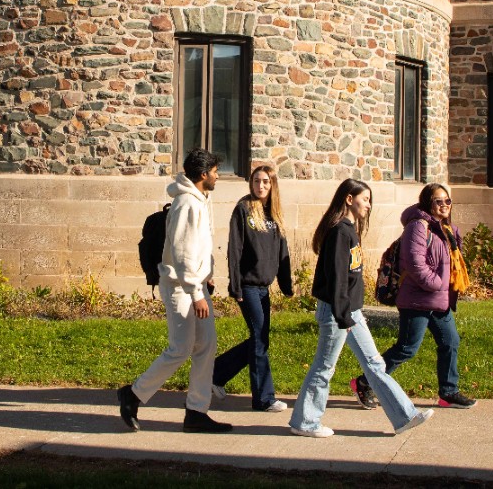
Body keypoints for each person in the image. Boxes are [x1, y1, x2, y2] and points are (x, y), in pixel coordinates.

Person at [289, 179, 433, 438]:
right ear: (348, 199)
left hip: (350, 311)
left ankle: (405, 416)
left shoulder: (348, 230)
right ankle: (305, 422)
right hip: (338, 311)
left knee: (375, 364)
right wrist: (343, 315)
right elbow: (337, 278)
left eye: (369, 200)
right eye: (364, 199)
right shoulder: (339, 232)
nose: (368, 204)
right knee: (324, 367)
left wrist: (350, 312)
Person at [117, 148, 232, 433]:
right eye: (215, 171)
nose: (218, 176)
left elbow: (202, 244)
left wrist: (209, 276)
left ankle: (196, 412)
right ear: (203, 174)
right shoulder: (185, 204)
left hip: (196, 284)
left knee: (206, 346)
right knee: (180, 348)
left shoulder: (203, 199)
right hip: (181, 288)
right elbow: (181, 253)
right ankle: (133, 394)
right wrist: (195, 293)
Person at [352, 182, 477, 410]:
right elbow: (414, 262)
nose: (444, 205)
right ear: (428, 203)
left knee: (450, 342)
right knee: (407, 348)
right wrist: (437, 283)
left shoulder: (446, 230)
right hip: (416, 300)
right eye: (438, 201)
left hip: (439, 301)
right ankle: (364, 382)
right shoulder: (418, 227)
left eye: (447, 201)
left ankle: (449, 392)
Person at [209, 164, 293, 412]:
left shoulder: (275, 214)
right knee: (259, 340)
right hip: (247, 286)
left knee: (260, 339)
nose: (261, 185)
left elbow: (282, 252)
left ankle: (216, 372)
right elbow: (234, 250)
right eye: (257, 181)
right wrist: (235, 286)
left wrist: (286, 285)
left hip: (264, 288)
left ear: (272, 184)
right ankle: (264, 398)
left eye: (266, 181)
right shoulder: (244, 209)